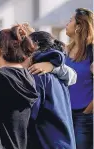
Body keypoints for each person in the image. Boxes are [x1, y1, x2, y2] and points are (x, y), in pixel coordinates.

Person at [28, 8, 93, 149]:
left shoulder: (92, 52)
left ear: (79, 26)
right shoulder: (64, 51)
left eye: (71, 20)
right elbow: (47, 46)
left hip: (84, 116)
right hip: (64, 112)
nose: (66, 23)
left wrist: (87, 110)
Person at [27, 31, 76, 149]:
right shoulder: (59, 75)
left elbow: (27, 117)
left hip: (47, 143)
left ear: (34, 47)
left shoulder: (38, 76)